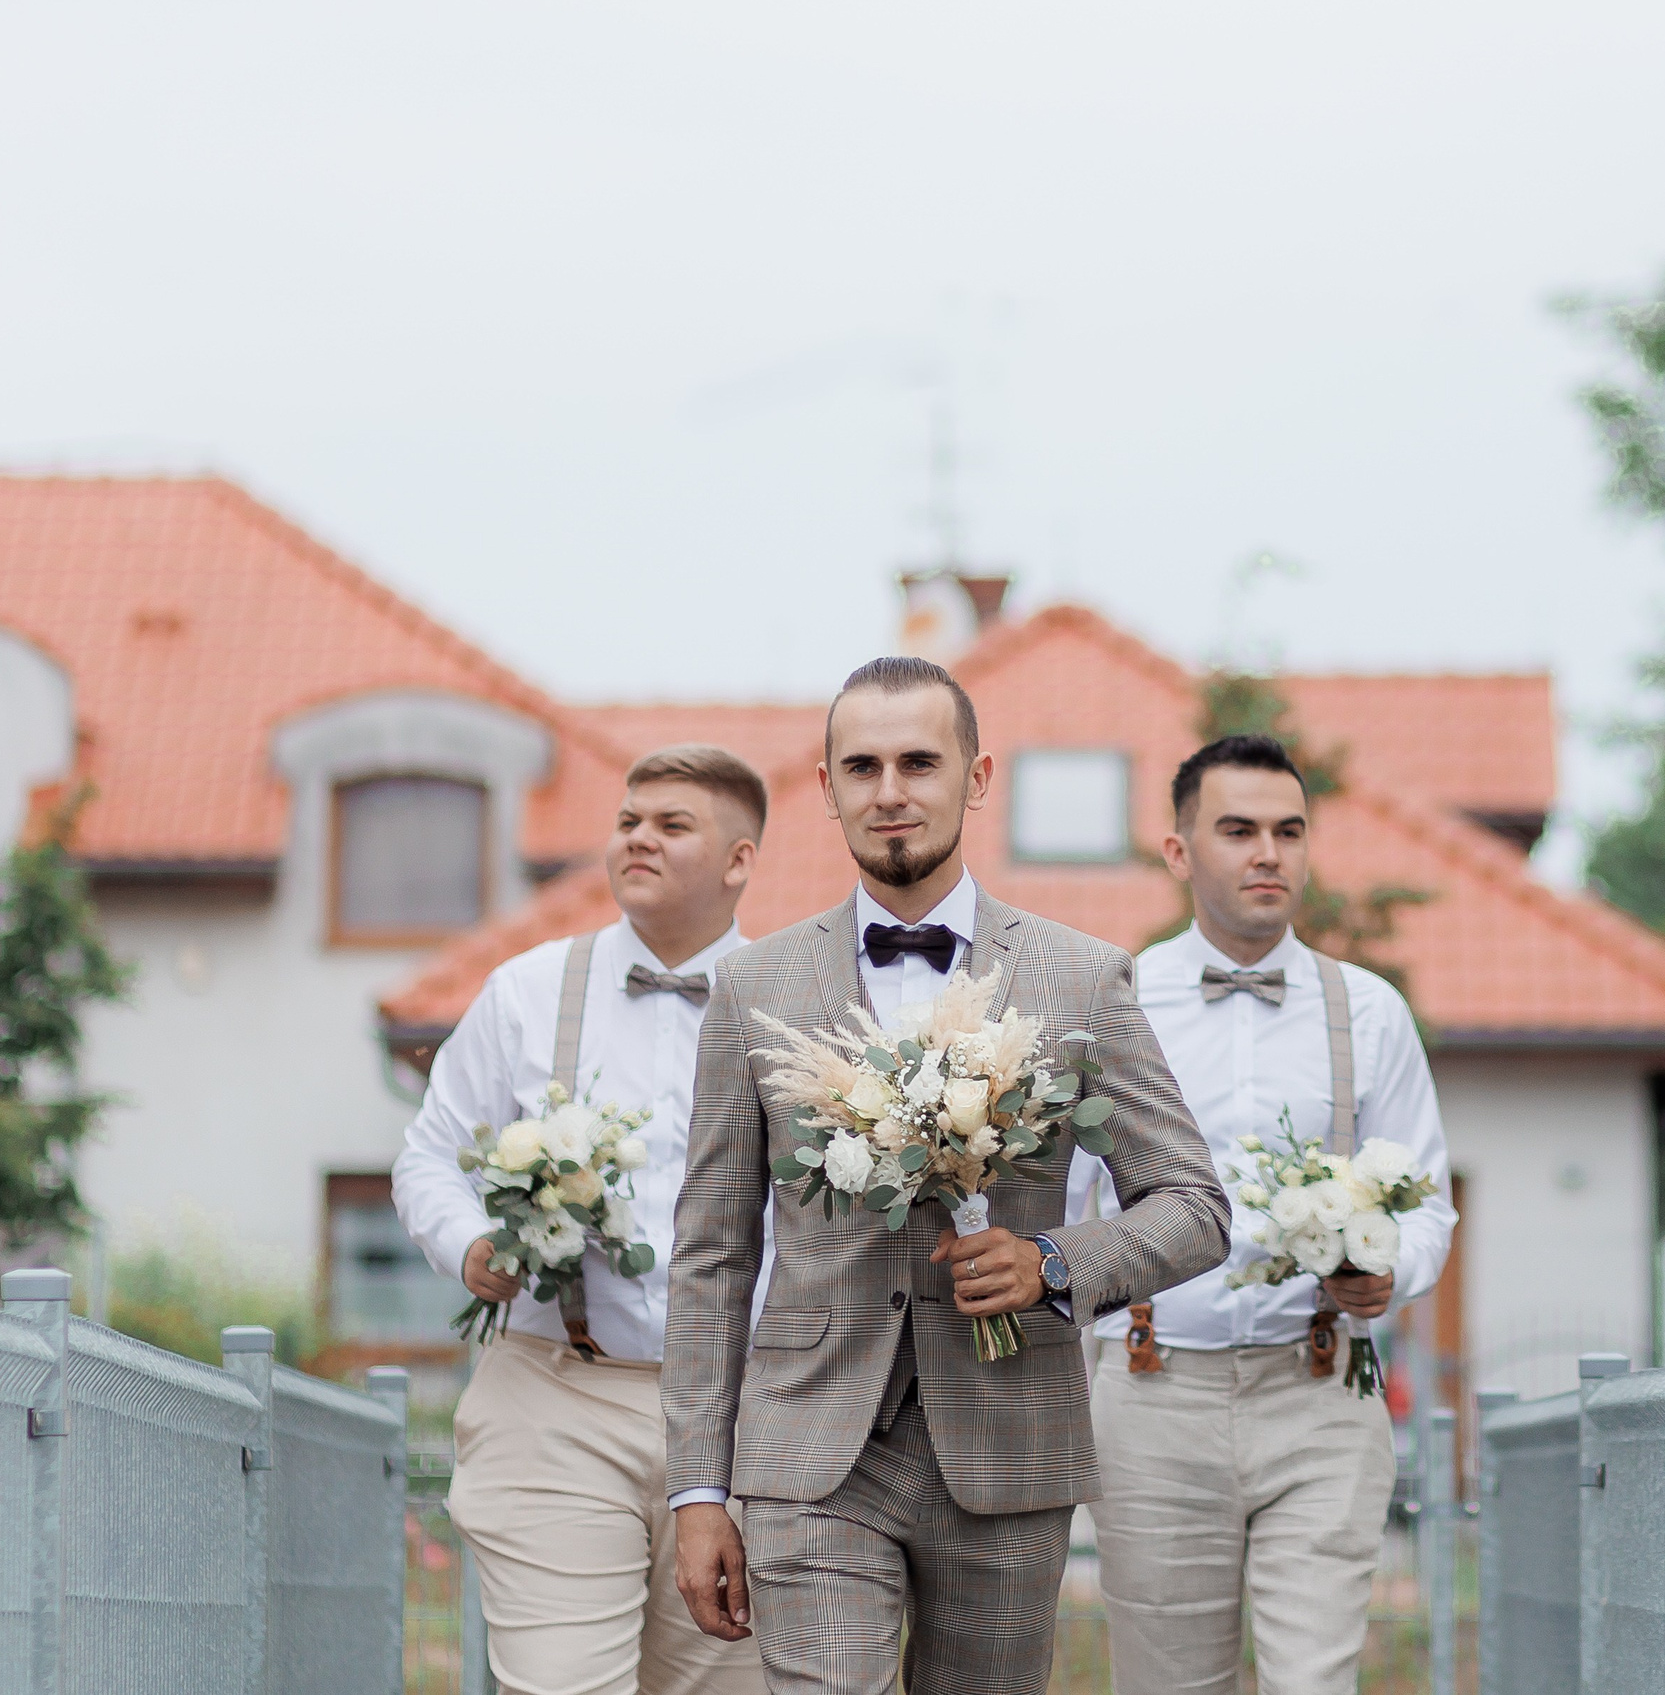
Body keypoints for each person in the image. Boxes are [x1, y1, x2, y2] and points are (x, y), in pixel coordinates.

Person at [662, 656, 1231, 1695]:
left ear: (975, 777)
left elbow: (1194, 1205)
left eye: (919, 762)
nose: (890, 790)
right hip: (811, 1450)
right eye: (863, 765)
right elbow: (711, 1253)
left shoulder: (1080, 976)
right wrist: (697, 1485)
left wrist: (1052, 1258)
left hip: (1008, 1440)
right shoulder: (752, 987)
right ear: (825, 784)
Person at [1067, 732, 1457, 1695]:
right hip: (1152, 1395)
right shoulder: (1112, 1002)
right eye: (1238, 830)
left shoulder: (1367, 1011)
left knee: (1313, 1681)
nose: (1267, 852)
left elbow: (1430, 1206)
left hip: (1319, 1392)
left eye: (1288, 830)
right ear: (1179, 851)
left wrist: (1387, 1271)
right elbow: (1069, 1211)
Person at [392, 744, 773, 1695]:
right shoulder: (527, 992)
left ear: (739, 860)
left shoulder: (795, 1005)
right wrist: (471, 1243)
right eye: (628, 820)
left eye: (672, 824)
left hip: (747, 1416)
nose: (638, 837)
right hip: (556, 1396)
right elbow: (428, 1155)